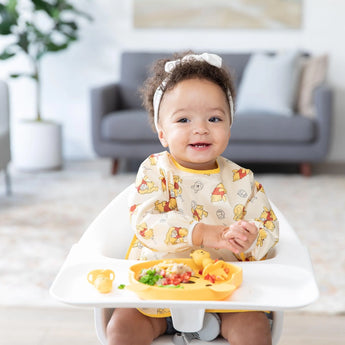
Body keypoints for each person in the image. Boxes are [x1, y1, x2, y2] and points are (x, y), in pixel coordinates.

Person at [106, 52, 279, 345]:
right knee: (121, 329)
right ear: (162, 133)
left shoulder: (241, 180)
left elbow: (268, 230)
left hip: (223, 294)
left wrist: (252, 238)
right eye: (183, 119)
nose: (200, 128)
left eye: (214, 118)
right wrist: (200, 232)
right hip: (157, 289)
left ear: (229, 125)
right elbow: (146, 224)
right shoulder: (154, 171)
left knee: (254, 328)